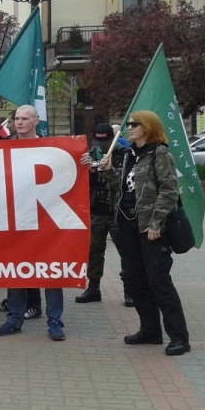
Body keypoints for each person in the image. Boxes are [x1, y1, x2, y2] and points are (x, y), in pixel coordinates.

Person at [99, 111, 191, 356]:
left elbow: (169, 191)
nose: (129, 127)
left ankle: (179, 337)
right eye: (129, 124)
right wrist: (108, 171)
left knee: (159, 281)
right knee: (135, 279)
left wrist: (156, 223)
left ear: (148, 128)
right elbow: (123, 186)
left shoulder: (160, 154)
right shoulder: (129, 154)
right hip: (127, 225)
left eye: (134, 124)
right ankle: (150, 330)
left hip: (150, 228)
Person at [0, 88, 65, 341]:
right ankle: (15, 319)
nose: (18, 122)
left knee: (52, 272)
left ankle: (55, 322)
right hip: (15, 219)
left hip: (47, 220)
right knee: (15, 270)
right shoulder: (2, 147)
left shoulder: (51, 147)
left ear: (35, 122)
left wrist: (82, 159)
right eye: (16, 118)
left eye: (24, 118)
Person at [76, 124, 126, 304]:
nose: (102, 145)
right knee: (94, 251)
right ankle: (94, 288)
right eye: (99, 141)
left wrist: (108, 170)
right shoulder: (90, 155)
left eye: (106, 141)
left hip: (119, 212)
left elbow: (123, 184)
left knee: (126, 251)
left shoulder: (125, 154)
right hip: (96, 211)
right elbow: (80, 185)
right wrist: (87, 171)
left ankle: (129, 289)